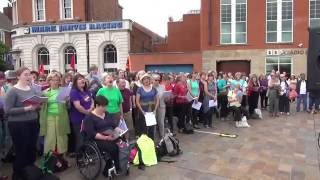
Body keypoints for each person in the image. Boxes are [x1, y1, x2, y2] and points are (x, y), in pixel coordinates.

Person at [4, 67, 42, 180]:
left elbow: (37, 104)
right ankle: (18, 175)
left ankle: (30, 173)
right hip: (18, 125)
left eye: (29, 74)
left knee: (31, 148)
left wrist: (38, 105)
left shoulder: (32, 89)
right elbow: (8, 110)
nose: (28, 76)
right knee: (22, 150)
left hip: (33, 122)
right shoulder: (13, 91)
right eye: (25, 74)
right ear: (18, 76)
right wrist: (27, 109)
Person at [82, 96, 121, 176]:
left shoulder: (106, 114)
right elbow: (93, 134)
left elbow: (113, 124)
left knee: (122, 142)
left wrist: (118, 129)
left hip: (110, 134)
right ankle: (115, 166)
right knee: (113, 148)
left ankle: (117, 163)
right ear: (97, 106)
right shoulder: (89, 118)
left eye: (106, 106)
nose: (105, 108)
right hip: (98, 139)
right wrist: (106, 137)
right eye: (103, 106)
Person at [39, 72, 70, 161]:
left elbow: (68, 107)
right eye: (53, 80)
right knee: (50, 138)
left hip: (62, 116)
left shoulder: (64, 91)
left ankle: (63, 159)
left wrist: (67, 101)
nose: (55, 82)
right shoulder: (45, 92)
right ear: (49, 81)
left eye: (57, 80)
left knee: (62, 137)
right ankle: (48, 160)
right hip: (49, 117)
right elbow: (41, 107)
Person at [69, 74, 94, 151]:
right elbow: (77, 106)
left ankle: (87, 155)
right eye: (79, 79)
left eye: (83, 78)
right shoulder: (74, 92)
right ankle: (80, 158)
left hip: (88, 118)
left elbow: (92, 100)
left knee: (87, 137)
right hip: (78, 120)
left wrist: (91, 107)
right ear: (75, 82)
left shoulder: (87, 91)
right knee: (80, 139)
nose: (82, 80)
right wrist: (87, 112)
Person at [136, 74, 159, 140]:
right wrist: (142, 111)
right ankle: (144, 143)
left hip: (151, 110)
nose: (146, 80)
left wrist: (155, 110)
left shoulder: (154, 89)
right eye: (144, 79)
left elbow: (157, 100)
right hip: (143, 111)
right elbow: (137, 101)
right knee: (143, 127)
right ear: (142, 81)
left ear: (150, 80)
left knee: (151, 127)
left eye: (147, 79)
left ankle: (151, 143)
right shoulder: (139, 89)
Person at [152, 74, 166, 138]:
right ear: (152, 80)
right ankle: (153, 136)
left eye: (158, 80)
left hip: (162, 106)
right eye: (156, 80)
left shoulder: (162, 86)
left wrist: (167, 97)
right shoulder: (150, 87)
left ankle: (162, 136)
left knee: (161, 122)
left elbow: (164, 96)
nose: (157, 81)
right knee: (153, 122)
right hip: (153, 107)